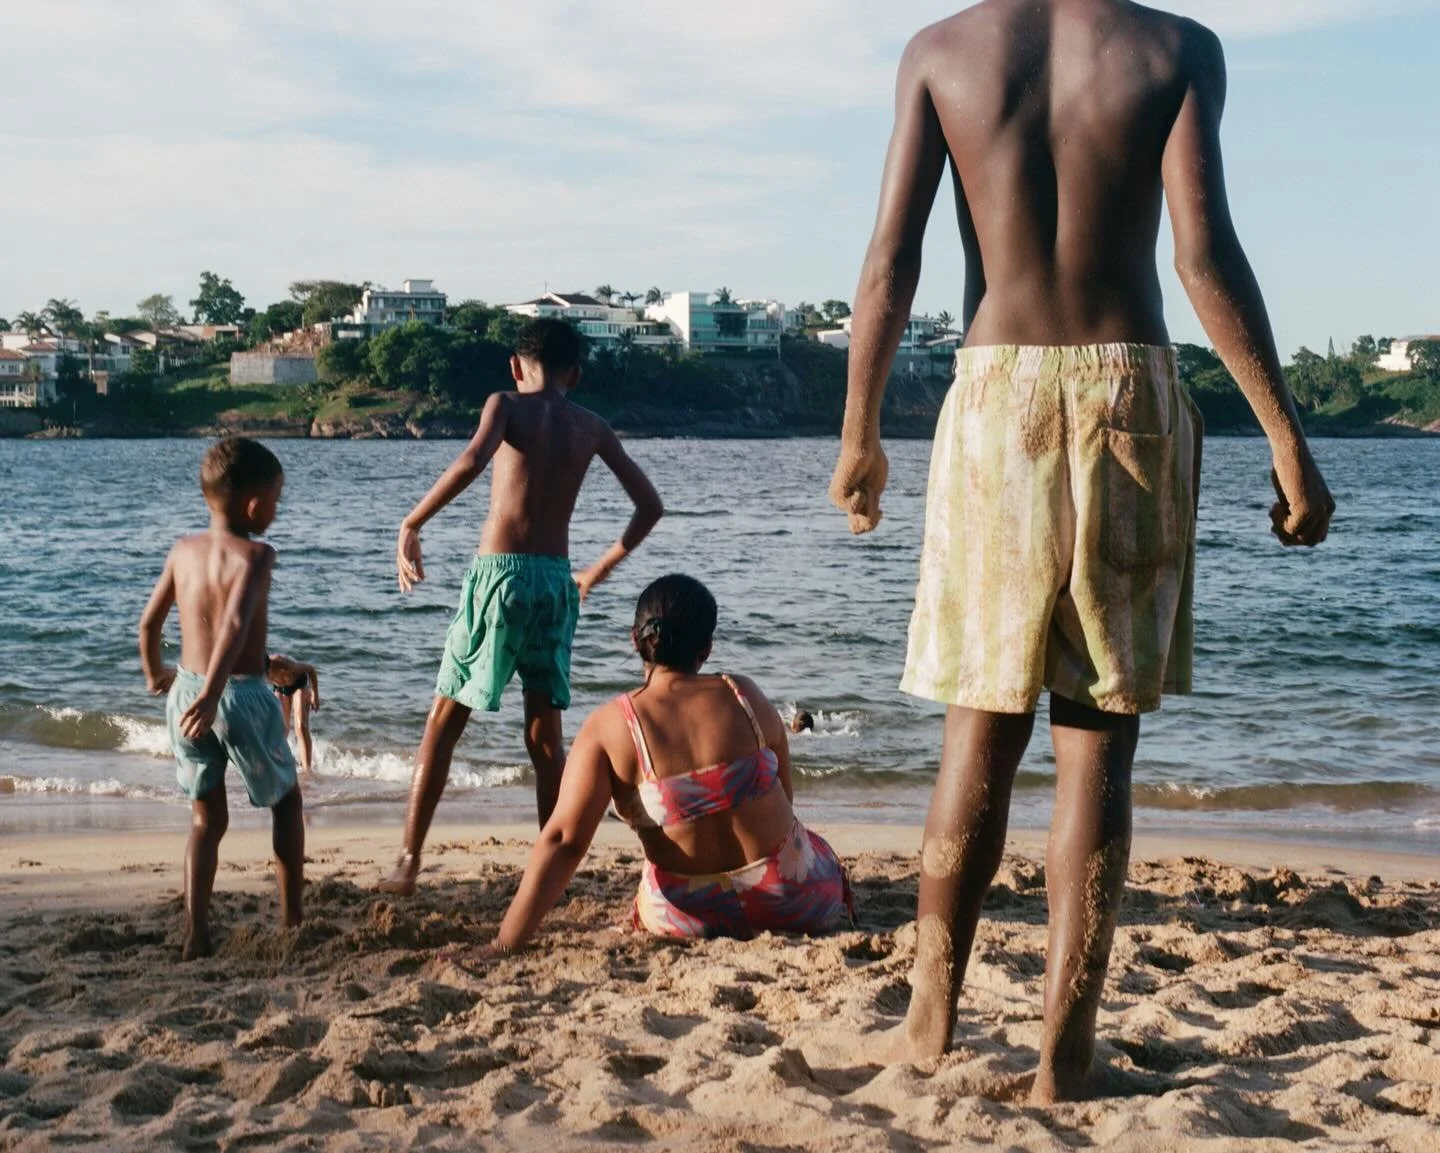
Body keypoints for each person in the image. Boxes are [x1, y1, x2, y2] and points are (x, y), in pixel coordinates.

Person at [829, 0, 1335, 1103]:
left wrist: (861, 427)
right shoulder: (1176, 48)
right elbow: (1203, 256)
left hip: (993, 390)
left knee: (979, 721)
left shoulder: (940, 51)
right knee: (1098, 741)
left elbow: (891, 257)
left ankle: (930, 1009)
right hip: (1130, 392)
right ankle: (1064, 1049)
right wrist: (1286, 438)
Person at [379, 318, 665, 897]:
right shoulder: (593, 426)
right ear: (576, 375)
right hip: (557, 584)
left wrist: (413, 521)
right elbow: (649, 507)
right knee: (544, 740)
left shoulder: (505, 403)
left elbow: (470, 461)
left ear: (516, 365)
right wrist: (598, 568)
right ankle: (550, 872)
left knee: (443, 723)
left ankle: (408, 863)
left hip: (499, 579)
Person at [452, 575, 852, 962]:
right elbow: (785, 794)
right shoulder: (742, 694)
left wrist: (505, 943)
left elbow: (563, 841)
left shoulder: (611, 727)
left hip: (687, 916)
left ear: (635, 641)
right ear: (707, 648)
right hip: (797, 902)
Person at [138, 437, 305, 961]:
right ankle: (293, 917)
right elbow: (234, 623)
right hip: (236, 698)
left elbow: (148, 624)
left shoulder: (181, 551)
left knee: (206, 820)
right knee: (287, 802)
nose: (276, 510)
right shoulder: (258, 555)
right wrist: (214, 694)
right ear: (254, 504)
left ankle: (196, 931)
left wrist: (157, 676)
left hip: (184, 692)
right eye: (276, 500)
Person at [267, 653, 321, 773]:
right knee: (281, 728)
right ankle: (280, 762)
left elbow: (311, 669)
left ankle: (307, 768)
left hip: (299, 685)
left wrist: (315, 695)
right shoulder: (257, 671)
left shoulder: (282, 662)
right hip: (280, 688)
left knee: (300, 726)